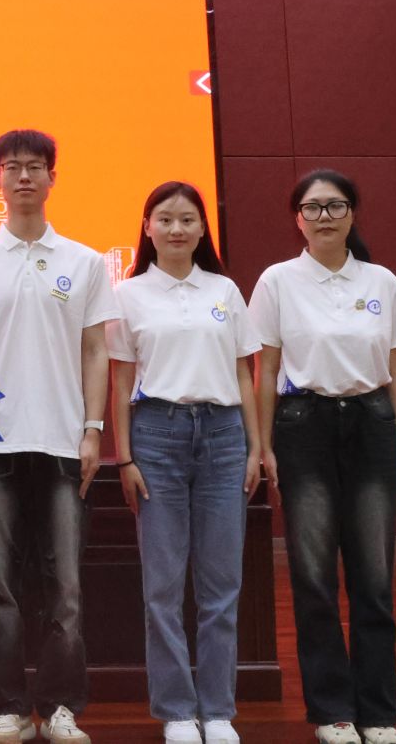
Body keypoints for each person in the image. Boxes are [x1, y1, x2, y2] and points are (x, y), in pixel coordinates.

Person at [0, 129, 115, 744]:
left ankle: (62, 707)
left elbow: (95, 351)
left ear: (51, 178)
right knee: (1, 588)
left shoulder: (85, 261)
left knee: (65, 587)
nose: (23, 177)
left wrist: (93, 429)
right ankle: (10, 710)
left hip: (66, 443)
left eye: (35, 167)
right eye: (12, 167)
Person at [251, 171, 396, 744]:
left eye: (336, 206)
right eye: (313, 207)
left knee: (374, 579)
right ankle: (332, 713)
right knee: (314, 577)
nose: (325, 216)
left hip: (372, 426)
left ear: (353, 213)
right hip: (304, 427)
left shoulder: (382, 281)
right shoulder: (277, 281)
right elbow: (266, 369)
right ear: (297, 218)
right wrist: (264, 445)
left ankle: (378, 714)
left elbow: (395, 373)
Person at [107, 183, 259, 744]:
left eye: (187, 219)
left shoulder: (225, 290)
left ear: (202, 229)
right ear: (147, 227)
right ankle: (176, 711)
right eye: (165, 219)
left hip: (223, 436)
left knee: (222, 585)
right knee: (163, 587)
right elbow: (120, 380)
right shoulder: (128, 295)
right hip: (156, 436)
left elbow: (244, 373)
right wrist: (124, 456)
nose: (176, 229)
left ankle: (217, 710)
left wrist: (254, 446)